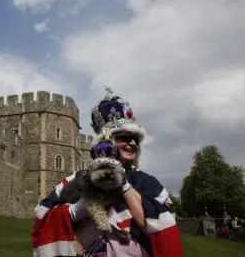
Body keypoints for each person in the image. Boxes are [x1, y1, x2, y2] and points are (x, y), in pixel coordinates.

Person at [31, 90, 183, 257]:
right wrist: (74, 212)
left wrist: (125, 188)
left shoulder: (147, 182)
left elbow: (165, 229)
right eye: (125, 138)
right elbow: (42, 217)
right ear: (106, 141)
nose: (132, 144)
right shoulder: (77, 178)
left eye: (136, 139)